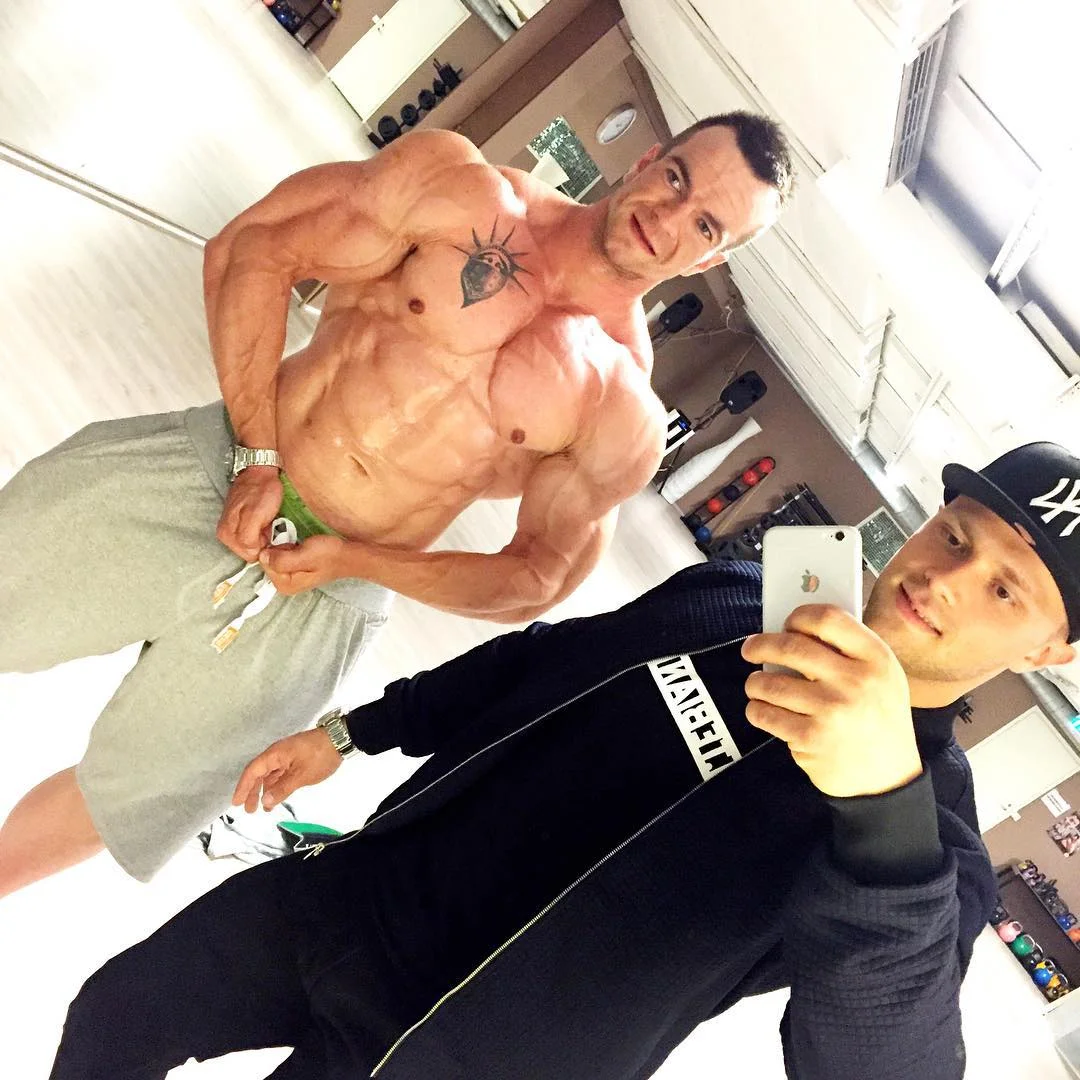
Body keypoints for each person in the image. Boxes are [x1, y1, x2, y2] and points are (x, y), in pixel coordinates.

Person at [49, 440, 1080, 1079]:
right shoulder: (742, 597)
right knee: (112, 1016)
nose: (947, 581)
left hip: (468, 1058)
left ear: (1049, 650)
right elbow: (545, 660)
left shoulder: (927, 843)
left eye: (1006, 591)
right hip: (354, 898)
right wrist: (355, 731)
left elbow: (882, 1062)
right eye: (958, 537)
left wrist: (882, 808)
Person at [0, 112, 793, 895]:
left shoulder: (620, 408)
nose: (669, 217)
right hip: (220, 465)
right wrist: (256, 455)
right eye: (676, 178)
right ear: (649, 158)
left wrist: (355, 560)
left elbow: (535, 578)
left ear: (712, 257)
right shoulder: (461, 193)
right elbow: (257, 248)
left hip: (321, 603)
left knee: (126, 800)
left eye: (705, 224)